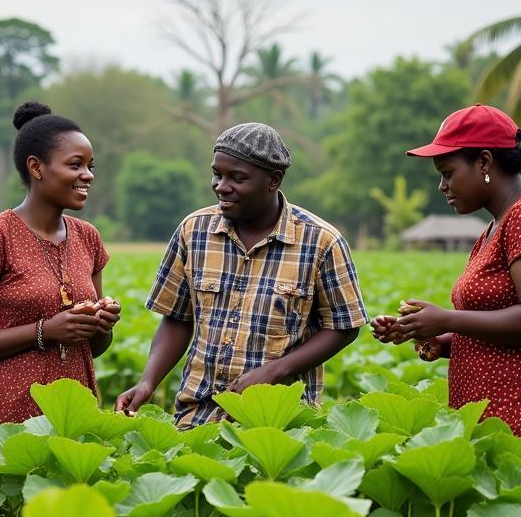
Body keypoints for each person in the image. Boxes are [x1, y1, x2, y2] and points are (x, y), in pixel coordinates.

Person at [370, 104, 521, 439]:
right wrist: (437, 337)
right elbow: (499, 326)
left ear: (483, 162)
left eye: (448, 172)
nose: (442, 186)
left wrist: (448, 319)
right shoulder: (495, 226)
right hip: (505, 416)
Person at [115, 122, 367, 428]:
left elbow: (344, 326)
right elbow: (177, 317)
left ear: (273, 180)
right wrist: (147, 382)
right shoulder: (194, 231)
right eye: (217, 174)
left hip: (279, 419)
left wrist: (278, 370)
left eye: (238, 178)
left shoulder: (321, 241)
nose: (222, 186)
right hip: (197, 414)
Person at [0, 101, 120, 424]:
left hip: (70, 415)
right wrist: (44, 331)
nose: (88, 176)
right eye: (76, 165)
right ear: (36, 168)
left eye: (91, 166)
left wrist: (101, 324)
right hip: (3, 412)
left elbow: (92, 348)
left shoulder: (88, 237)